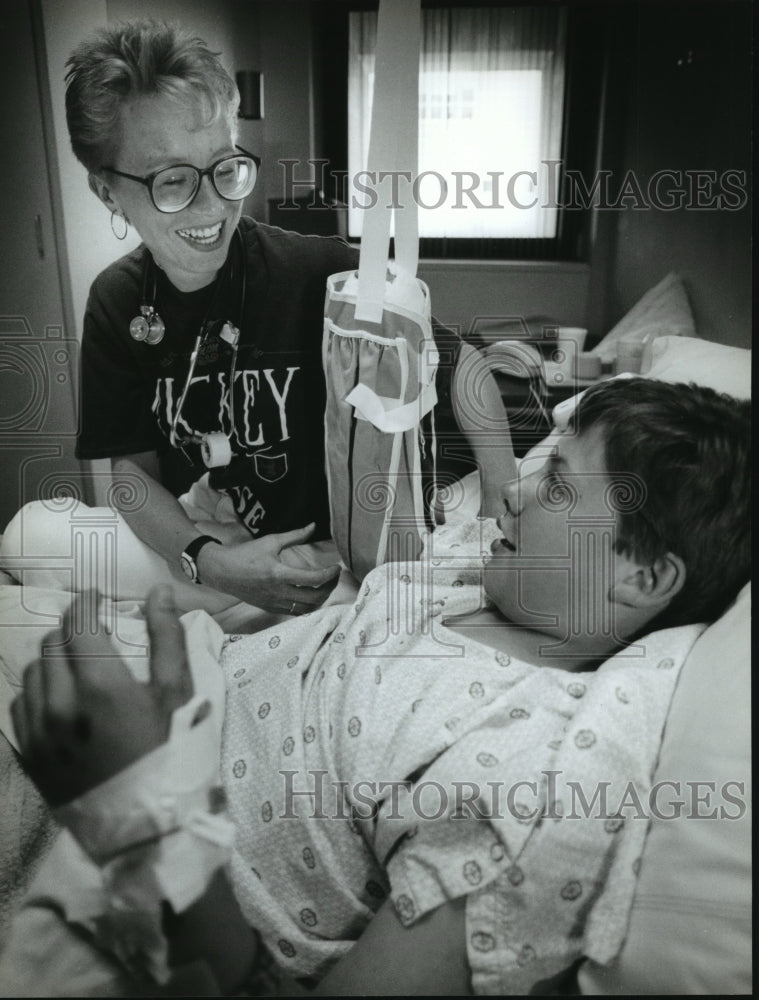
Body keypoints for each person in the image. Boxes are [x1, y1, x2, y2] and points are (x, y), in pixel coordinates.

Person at [0, 378, 750, 996]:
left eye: (556, 485)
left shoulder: (521, 775)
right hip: (152, 695)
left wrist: (143, 811)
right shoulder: (485, 585)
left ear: (640, 575)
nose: (514, 491)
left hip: (128, 854)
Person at [0, 19, 498, 621]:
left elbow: (463, 363)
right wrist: (205, 559)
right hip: (220, 537)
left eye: (224, 166)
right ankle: (239, 599)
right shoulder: (117, 302)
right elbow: (129, 472)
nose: (212, 205)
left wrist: (502, 499)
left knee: (341, 601)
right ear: (108, 192)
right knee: (31, 531)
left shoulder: (316, 271)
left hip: (333, 552)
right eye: (173, 180)